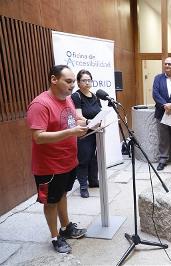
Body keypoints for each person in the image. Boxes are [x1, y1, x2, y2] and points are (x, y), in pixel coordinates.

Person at [26, 65, 88, 254]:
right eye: (68, 81)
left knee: (62, 194)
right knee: (51, 201)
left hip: (68, 161)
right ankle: (55, 237)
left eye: (72, 82)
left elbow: (71, 121)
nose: (72, 86)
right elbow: (38, 136)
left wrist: (83, 124)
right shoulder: (40, 104)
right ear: (54, 79)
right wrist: (71, 131)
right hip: (49, 166)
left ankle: (66, 227)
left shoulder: (68, 99)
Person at [71, 70, 102, 198]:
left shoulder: (95, 96)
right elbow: (78, 118)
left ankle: (93, 181)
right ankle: (83, 186)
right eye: (84, 80)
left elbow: (99, 113)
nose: (87, 82)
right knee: (83, 159)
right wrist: (89, 122)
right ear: (78, 82)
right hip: (84, 133)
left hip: (96, 132)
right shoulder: (76, 96)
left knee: (94, 158)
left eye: (89, 80)